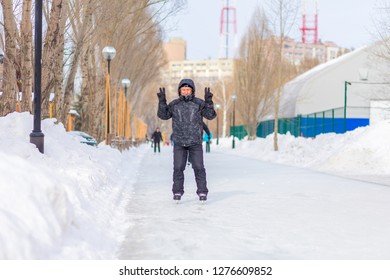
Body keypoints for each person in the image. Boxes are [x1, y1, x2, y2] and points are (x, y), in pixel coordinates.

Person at [157, 78, 216, 201]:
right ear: (180, 91)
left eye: (188, 89)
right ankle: (177, 191)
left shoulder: (199, 103)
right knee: (178, 168)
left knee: (199, 167)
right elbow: (163, 116)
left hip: (195, 142)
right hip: (179, 142)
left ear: (192, 90)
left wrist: (209, 101)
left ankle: (202, 192)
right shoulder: (174, 104)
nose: (185, 91)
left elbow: (210, 115)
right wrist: (162, 101)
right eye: (183, 89)